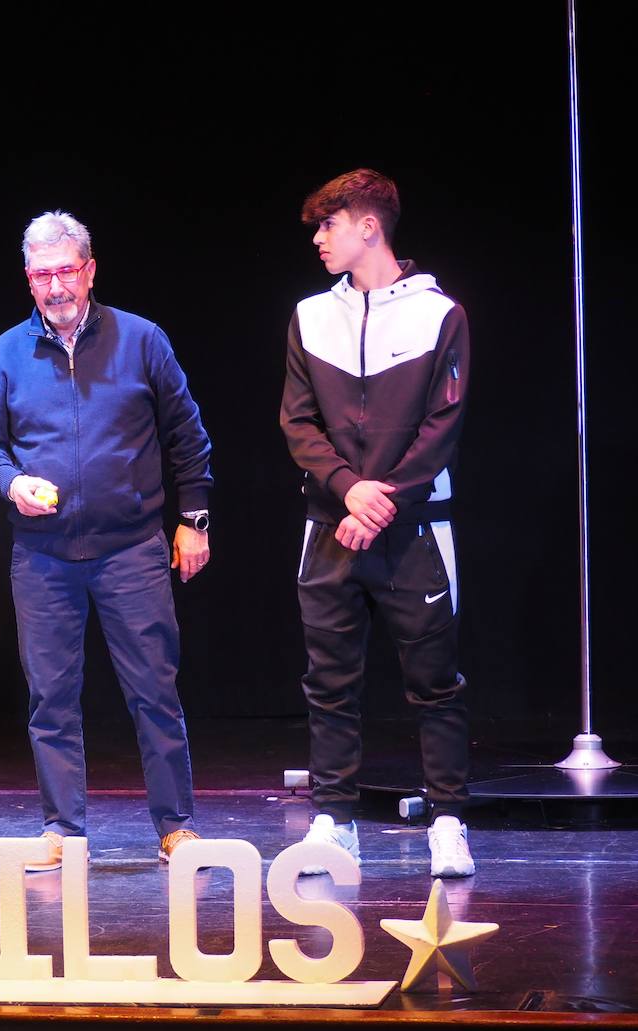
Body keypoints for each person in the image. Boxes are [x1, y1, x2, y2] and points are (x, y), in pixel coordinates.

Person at [0, 211, 213, 870]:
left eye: (66, 271)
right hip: (42, 556)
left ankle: (175, 826)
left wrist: (194, 521)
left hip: (132, 550)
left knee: (155, 694)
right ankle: (63, 829)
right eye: (42, 274)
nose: (55, 286)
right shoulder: (4, 354)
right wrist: (11, 483)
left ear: (89, 271)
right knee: (50, 696)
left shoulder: (142, 340)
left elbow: (188, 439)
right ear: (28, 278)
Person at [281, 168, 474, 878]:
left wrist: (382, 498)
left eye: (328, 224)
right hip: (330, 525)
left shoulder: (439, 315)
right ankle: (334, 819)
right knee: (328, 680)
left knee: (435, 679)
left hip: (416, 527)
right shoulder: (310, 316)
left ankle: (449, 818)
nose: (318, 238)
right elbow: (298, 423)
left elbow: (442, 426)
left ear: (370, 226)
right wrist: (347, 490)